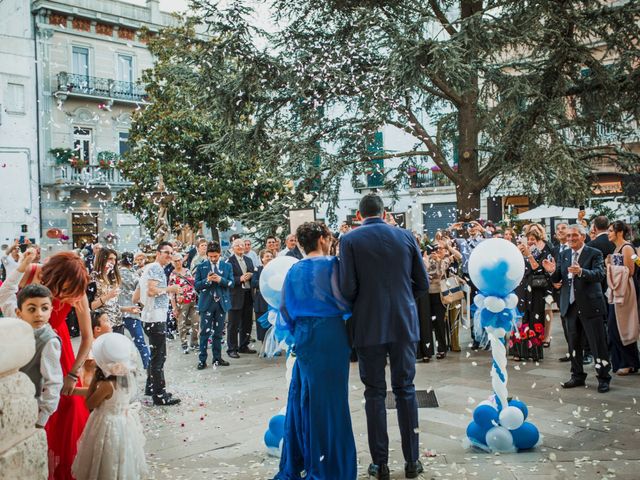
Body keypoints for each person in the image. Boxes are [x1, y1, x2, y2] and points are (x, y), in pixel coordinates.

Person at [339, 194, 429, 480]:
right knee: (406, 389)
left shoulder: (350, 240)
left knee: (375, 393)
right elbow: (423, 283)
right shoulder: (405, 236)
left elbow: (347, 288)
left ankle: (380, 464)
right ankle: (413, 461)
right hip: (403, 323)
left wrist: (366, 303)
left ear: (359, 215)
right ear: (385, 212)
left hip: (369, 325)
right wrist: (402, 300)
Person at [274, 221, 356, 480]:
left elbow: (285, 309)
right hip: (331, 334)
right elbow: (346, 301)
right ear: (322, 239)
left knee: (307, 397)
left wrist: (300, 329)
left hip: (305, 336)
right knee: (333, 401)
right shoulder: (334, 265)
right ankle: (333, 464)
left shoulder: (294, 269)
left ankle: (310, 458)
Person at [19, 250, 92, 479]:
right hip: (25, 343)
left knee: (68, 408)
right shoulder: (32, 272)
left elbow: (87, 336)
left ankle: (62, 469)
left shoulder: (78, 292)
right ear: (56, 277)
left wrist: (73, 373)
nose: (70, 296)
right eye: (67, 289)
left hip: (58, 348)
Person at [542, 224, 611, 393]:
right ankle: (577, 375)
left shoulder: (594, 253)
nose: (570, 239)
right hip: (569, 306)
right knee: (573, 344)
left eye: (574, 235)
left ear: (583, 236)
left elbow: (600, 275)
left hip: (590, 305)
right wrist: (551, 272)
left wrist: (581, 272)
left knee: (597, 344)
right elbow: (558, 277)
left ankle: (603, 378)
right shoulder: (564, 254)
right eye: (568, 236)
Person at [72, 333, 148, 480]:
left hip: (106, 425)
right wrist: (75, 391)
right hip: (124, 424)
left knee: (105, 458)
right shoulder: (126, 380)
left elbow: (90, 403)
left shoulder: (107, 385)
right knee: (121, 458)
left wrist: (94, 378)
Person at [135, 241, 181, 406]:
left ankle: (151, 388)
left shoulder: (148, 268)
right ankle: (160, 395)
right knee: (159, 358)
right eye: (166, 252)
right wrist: (171, 289)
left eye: (171, 252)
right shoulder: (155, 268)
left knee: (155, 356)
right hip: (155, 319)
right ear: (158, 252)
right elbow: (152, 291)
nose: (169, 256)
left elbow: (137, 294)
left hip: (150, 317)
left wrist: (140, 306)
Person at [10, 284, 63, 429]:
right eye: (32, 309)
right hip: (13, 399)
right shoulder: (20, 331)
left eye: (44, 308)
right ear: (19, 312)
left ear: (51, 310)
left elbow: (54, 382)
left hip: (31, 405)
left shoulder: (49, 341)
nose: (39, 314)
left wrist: (42, 418)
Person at [511, 226, 552, 361]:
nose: (530, 242)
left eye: (533, 240)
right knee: (522, 318)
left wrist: (529, 254)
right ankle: (518, 352)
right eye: (528, 239)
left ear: (538, 240)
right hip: (521, 288)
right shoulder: (519, 253)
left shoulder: (542, 253)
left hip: (536, 290)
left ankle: (534, 351)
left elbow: (538, 269)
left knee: (535, 318)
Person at [605, 220, 639, 375]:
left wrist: (609, 266)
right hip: (616, 289)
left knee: (623, 326)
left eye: (611, 231)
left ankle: (630, 362)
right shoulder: (617, 248)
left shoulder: (627, 247)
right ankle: (622, 361)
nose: (608, 233)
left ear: (619, 232)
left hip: (626, 290)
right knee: (613, 327)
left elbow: (630, 270)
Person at [194, 241, 234, 369]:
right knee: (204, 333)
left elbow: (232, 284)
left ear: (220, 254)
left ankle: (217, 358)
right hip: (206, 304)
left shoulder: (227, 267)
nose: (213, 259)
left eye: (215, 256)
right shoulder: (201, 267)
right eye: (210, 256)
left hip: (221, 304)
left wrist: (220, 280)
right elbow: (197, 286)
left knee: (218, 333)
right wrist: (207, 280)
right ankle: (202, 360)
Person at [117, 253, 150, 369]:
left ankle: (120, 368)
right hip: (132, 311)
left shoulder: (115, 274)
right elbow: (141, 291)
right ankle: (148, 366)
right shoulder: (134, 275)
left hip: (117, 312)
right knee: (140, 342)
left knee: (118, 344)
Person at [226, 238, 256, 357]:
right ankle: (232, 349)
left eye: (242, 245)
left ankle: (244, 345)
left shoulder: (248, 260)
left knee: (247, 322)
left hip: (248, 294)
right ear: (232, 248)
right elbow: (227, 279)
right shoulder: (229, 261)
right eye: (237, 245)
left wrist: (251, 275)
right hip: (235, 295)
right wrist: (240, 279)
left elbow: (253, 273)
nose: (240, 247)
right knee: (233, 324)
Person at [169, 252, 199, 354]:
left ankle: (194, 343)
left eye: (179, 260)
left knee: (196, 322)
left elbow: (193, 283)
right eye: (175, 261)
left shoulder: (187, 271)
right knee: (182, 324)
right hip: (181, 303)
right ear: (172, 262)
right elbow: (171, 292)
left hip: (192, 300)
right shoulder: (173, 275)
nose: (178, 262)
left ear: (182, 260)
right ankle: (184, 344)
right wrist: (174, 307)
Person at [88, 248, 123, 332]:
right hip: (103, 325)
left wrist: (127, 309)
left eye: (115, 259)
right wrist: (108, 296)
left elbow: (112, 304)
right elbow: (91, 306)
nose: (113, 262)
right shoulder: (92, 278)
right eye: (110, 258)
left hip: (118, 323)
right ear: (102, 259)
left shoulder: (113, 277)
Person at [252, 249, 274, 342]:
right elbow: (254, 282)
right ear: (262, 259)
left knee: (272, 323)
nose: (269, 258)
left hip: (273, 301)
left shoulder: (275, 269)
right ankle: (263, 345)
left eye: (271, 256)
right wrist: (266, 282)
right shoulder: (258, 269)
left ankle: (273, 346)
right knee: (261, 325)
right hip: (260, 300)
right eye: (267, 256)